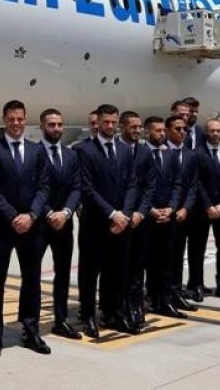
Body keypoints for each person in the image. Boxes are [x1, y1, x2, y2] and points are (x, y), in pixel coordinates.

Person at [0, 100, 52, 358]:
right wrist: (14, 217)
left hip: (32, 227)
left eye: (20, 119)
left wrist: (31, 215)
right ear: (4, 120)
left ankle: (31, 331)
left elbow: (45, 187)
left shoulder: (37, 151)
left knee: (32, 280)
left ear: (25, 119)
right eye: (11, 119)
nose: (16, 123)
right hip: (3, 225)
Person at [74, 104, 136, 336]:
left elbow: (132, 184)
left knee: (117, 272)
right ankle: (89, 316)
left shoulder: (124, 150)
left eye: (113, 122)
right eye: (106, 122)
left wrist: (125, 214)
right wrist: (112, 214)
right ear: (97, 123)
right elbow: (87, 188)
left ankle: (113, 313)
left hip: (121, 223)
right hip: (96, 222)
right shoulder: (84, 150)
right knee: (90, 273)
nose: (110, 126)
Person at [39, 108, 82, 340]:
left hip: (64, 223)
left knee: (63, 273)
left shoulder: (71, 155)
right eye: (51, 125)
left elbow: (77, 187)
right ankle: (30, 322)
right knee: (32, 273)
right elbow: (33, 189)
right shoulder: (35, 153)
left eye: (59, 125)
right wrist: (48, 213)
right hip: (41, 223)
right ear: (42, 127)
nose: (56, 129)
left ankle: (61, 319)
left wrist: (65, 213)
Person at [145, 115, 189, 318]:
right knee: (145, 263)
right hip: (148, 217)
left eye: (163, 131)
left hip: (167, 216)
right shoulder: (141, 154)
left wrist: (171, 208)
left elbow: (177, 184)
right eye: (158, 131)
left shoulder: (170, 155)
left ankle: (164, 301)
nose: (162, 134)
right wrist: (151, 209)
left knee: (166, 262)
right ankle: (147, 300)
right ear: (148, 132)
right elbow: (138, 186)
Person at [192, 118, 220, 302]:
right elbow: (197, 181)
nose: (216, 134)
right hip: (203, 210)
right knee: (198, 248)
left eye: (218, 131)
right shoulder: (197, 153)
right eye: (212, 131)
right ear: (206, 132)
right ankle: (196, 284)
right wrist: (208, 205)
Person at [118, 111, 153, 331]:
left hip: (139, 219)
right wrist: (122, 213)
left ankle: (135, 306)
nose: (138, 130)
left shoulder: (144, 152)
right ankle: (117, 307)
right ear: (122, 127)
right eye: (133, 127)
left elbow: (150, 185)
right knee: (119, 267)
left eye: (140, 127)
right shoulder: (117, 150)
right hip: (119, 217)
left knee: (138, 267)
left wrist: (140, 212)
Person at [165, 116, 201, 311]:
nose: (182, 132)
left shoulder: (190, 155)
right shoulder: (161, 151)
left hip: (183, 213)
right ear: (168, 130)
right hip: (164, 213)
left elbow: (193, 185)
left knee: (179, 255)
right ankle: (160, 294)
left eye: (184, 129)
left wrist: (185, 208)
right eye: (177, 129)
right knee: (162, 257)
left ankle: (175, 292)